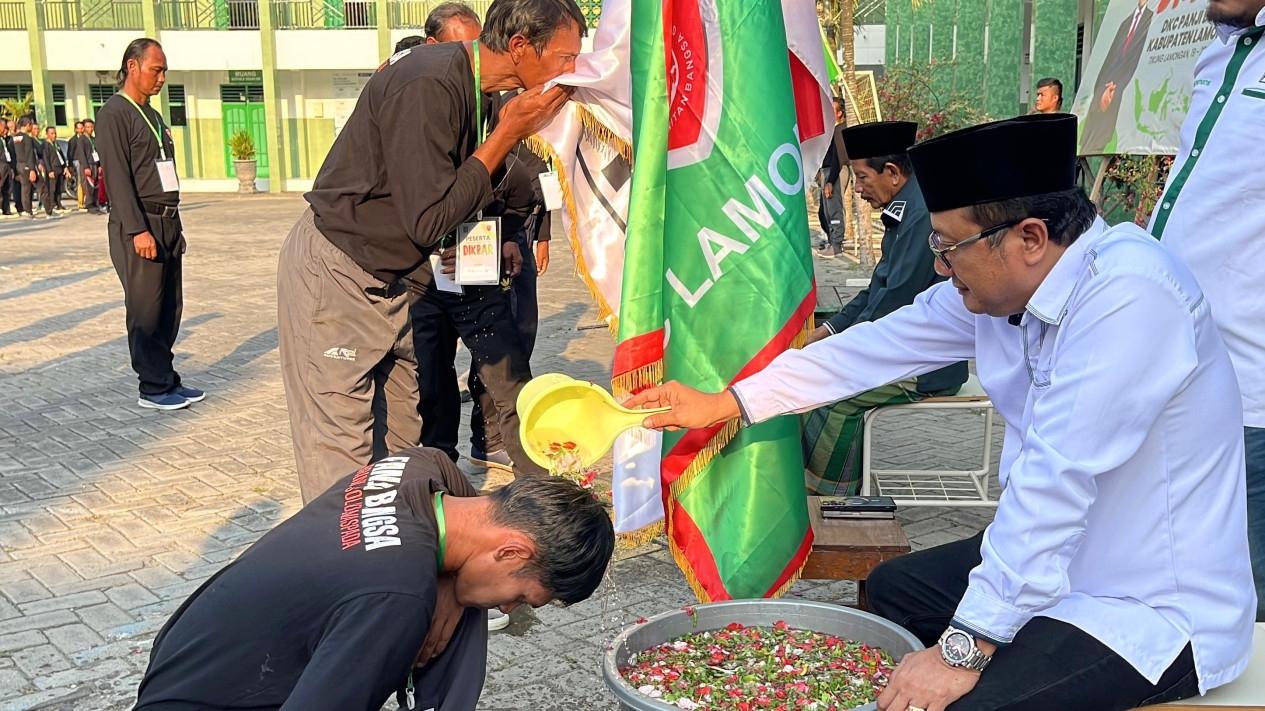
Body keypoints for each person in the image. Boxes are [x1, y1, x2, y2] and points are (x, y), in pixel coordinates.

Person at [627, 114, 1256, 711]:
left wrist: (964, 649)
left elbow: (1054, 484)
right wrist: (730, 401)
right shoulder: (1005, 283)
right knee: (896, 591)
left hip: (1146, 603)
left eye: (949, 246)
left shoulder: (1131, 296)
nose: (937, 263)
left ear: (1029, 239)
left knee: (965, 697)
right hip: (1064, 561)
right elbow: (873, 347)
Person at [278, 0, 585, 503]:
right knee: (342, 453)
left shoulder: (473, 89)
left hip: (390, 279)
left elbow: (459, 192)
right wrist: (507, 134)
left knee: (400, 443)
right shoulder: (429, 82)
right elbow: (428, 220)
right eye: (566, 57)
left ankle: (402, 559)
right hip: (340, 272)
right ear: (520, 47)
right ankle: (350, 572)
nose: (572, 70)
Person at [130, 446, 614, 711]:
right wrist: (427, 586)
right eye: (523, 596)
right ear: (511, 550)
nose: (508, 609)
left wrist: (448, 582)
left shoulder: (410, 470)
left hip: (182, 659)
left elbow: (445, 464)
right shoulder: (397, 599)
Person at [1150, 0, 1265, 622]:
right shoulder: (1220, 54)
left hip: (1254, 396)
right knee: (1179, 593)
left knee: (1241, 614)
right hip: (1178, 375)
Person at [406, 4, 544, 479]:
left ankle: (536, 480)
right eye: (457, 47)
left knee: (508, 373)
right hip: (418, 269)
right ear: (430, 48)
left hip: (472, 257)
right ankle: (437, 463)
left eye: (474, 46)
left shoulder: (489, 105)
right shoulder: (410, 94)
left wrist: (506, 234)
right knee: (429, 370)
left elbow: (516, 183)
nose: (469, 60)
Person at [801, 121, 967, 495]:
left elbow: (896, 301)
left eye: (861, 177)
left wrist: (842, 348)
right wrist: (828, 332)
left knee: (833, 396)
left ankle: (834, 501)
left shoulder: (923, 215)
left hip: (927, 362)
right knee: (816, 377)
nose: (857, 190)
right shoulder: (907, 207)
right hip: (899, 346)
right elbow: (878, 289)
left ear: (891, 172)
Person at [97, 38, 204, 411]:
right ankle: (153, 388)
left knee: (169, 307)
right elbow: (118, 179)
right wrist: (138, 230)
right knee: (146, 309)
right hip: (139, 224)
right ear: (132, 67)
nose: (161, 78)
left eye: (164, 71)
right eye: (155, 70)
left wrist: (175, 227)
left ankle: (168, 378)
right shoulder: (114, 114)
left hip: (167, 222)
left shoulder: (154, 116)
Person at [1081, 0, 1153, 154]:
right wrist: (1103, 87)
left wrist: (1117, 86)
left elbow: (1137, 60)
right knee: (1090, 142)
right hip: (1107, 84)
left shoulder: (1153, 18)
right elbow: (1111, 58)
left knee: (1104, 136)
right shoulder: (1126, 22)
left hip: (1125, 88)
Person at [816, 97, 847, 257]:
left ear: (840, 113)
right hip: (826, 170)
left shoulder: (840, 130)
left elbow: (838, 158)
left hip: (835, 171)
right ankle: (831, 240)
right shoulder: (830, 130)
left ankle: (836, 244)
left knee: (834, 209)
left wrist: (830, 181)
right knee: (824, 212)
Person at [11, 117, 42, 220]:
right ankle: (48, 210)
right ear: (28, 125)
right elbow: (29, 154)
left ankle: (28, 211)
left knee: (25, 189)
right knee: (40, 187)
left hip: (19, 165)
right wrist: (32, 169)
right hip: (27, 165)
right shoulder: (27, 138)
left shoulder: (15, 138)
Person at [72, 118, 104, 215]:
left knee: (96, 186)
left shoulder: (93, 139)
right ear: (84, 128)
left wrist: (99, 165)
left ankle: (95, 203)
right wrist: (86, 167)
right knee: (88, 186)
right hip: (87, 165)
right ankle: (89, 204)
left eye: (91, 127)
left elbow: (98, 152)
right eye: (88, 127)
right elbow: (81, 154)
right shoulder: (82, 139)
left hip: (95, 164)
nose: (90, 129)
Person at [41, 126, 70, 213]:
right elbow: (46, 159)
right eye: (52, 133)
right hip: (52, 169)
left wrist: (65, 167)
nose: (54, 135)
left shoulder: (56, 144)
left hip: (59, 168)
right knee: (52, 188)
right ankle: (52, 205)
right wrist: (50, 171)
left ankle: (59, 204)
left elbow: (61, 156)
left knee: (59, 188)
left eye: (55, 133)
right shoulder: (46, 145)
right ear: (47, 134)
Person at [0, 119, 16, 218]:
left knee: (7, 188)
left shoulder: (4, 139)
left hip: (7, 165)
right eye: (4, 127)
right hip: (0, 165)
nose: (6, 129)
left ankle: (6, 210)